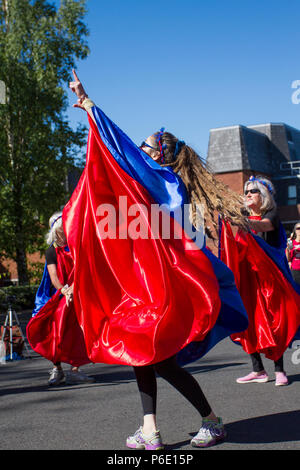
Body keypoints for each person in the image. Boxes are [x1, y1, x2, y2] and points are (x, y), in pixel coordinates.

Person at [67, 70, 249, 449]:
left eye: (146, 150)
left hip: (163, 288)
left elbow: (122, 153)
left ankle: (208, 421)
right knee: (143, 355)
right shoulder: (153, 184)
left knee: (157, 359)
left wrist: (89, 105)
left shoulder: (163, 182)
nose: (139, 153)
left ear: (160, 156)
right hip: (146, 286)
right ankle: (152, 428)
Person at [220, 176, 300, 387]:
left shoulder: (270, 215)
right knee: (250, 322)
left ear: (263, 196)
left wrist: (238, 220)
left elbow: (264, 226)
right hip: (249, 280)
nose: (247, 194)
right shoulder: (244, 216)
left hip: (271, 279)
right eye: (246, 191)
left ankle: (280, 369)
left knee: (274, 321)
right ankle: (258, 370)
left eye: (253, 191)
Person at [27, 212, 94, 386]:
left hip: (76, 291)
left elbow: (82, 269)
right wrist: (65, 290)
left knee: (78, 330)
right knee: (54, 329)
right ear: (57, 231)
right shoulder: (51, 251)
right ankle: (57, 369)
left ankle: (74, 371)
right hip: (56, 294)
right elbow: (54, 276)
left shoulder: (76, 246)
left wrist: (74, 288)